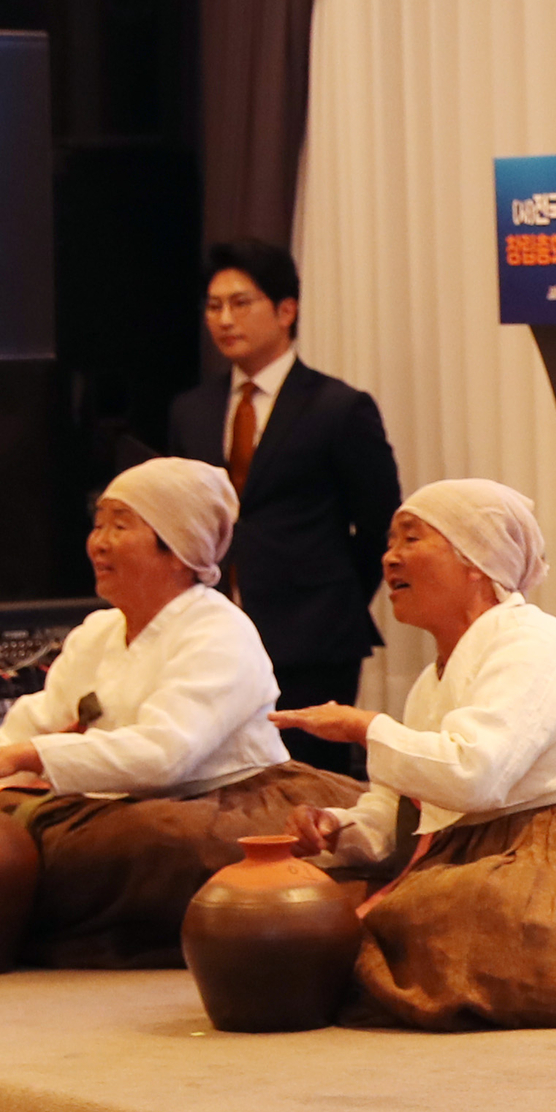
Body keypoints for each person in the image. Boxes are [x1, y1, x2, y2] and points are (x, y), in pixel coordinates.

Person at [277, 481, 556, 1030]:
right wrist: (336, 827)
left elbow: (474, 776)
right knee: (320, 903)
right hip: (486, 845)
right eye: (390, 540)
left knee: (437, 916)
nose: (390, 556)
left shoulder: (532, 643)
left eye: (412, 538)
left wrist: (367, 729)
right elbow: (400, 815)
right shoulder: (428, 682)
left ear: (477, 563)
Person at [0, 460, 357, 967]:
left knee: (145, 844)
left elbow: (165, 755)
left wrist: (23, 758)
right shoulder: (97, 631)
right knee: (4, 824)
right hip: (123, 804)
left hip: (222, 801)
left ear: (180, 552)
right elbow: (31, 724)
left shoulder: (220, 631)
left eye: (121, 525)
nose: (99, 542)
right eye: (98, 524)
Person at [168, 243, 399, 777]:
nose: (224, 319)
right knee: (222, 777)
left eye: (240, 303)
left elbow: (380, 525)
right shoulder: (192, 410)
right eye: (213, 306)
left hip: (313, 636)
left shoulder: (339, 407)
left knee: (308, 780)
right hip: (213, 629)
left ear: (286, 310)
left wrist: (332, 596)